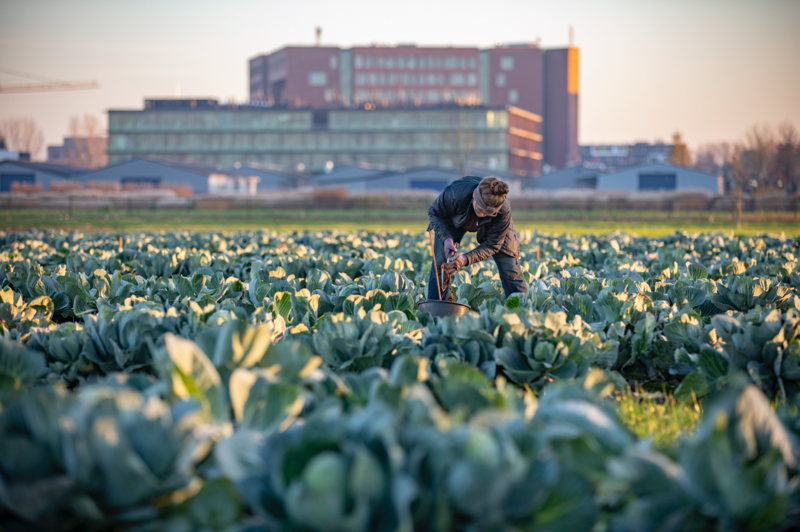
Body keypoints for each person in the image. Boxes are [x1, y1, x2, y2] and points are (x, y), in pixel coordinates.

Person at [426, 175, 528, 301]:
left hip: (493, 226)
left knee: (510, 268)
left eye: (488, 213)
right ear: (474, 195)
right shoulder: (455, 193)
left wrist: (465, 258)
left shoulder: (503, 210)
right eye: (480, 209)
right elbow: (434, 212)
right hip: (456, 219)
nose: (482, 215)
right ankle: (437, 306)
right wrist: (447, 239)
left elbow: (493, 245)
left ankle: (521, 309)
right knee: (441, 262)